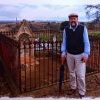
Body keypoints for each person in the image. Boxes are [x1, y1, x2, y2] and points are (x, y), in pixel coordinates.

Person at [61, 13, 90, 98]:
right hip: (69, 54)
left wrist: (86, 54)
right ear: (69, 20)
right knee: (71, 73)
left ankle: (81, 92)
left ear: (77, 19)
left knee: (80, 75)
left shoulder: (82, 28)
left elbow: (86, 42)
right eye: (71, 19)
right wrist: (63, 52)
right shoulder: (66, 29)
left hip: (80, 55)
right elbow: (64, 42)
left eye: (74, 18)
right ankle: (73, 87)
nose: (73, 20)